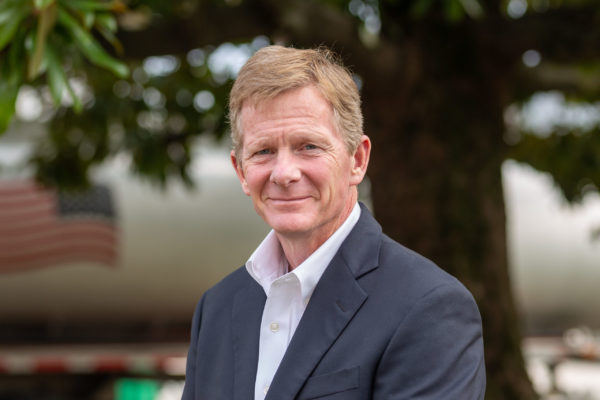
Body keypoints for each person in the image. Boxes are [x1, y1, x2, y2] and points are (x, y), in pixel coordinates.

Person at [181, 45, 486, 400]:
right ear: (241, 171)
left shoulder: (428, 307)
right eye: (263, 151)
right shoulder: (216, 309)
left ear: (357, 160)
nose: (284, 173)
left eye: (308, 146)